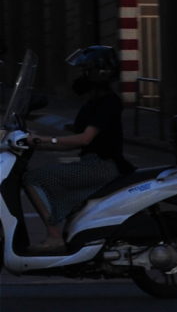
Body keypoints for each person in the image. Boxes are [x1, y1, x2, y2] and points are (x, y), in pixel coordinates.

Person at [22, 47, 134, 254]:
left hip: (103, 165)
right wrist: (33, 144)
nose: (80, 76)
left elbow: (85, 138)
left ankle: (54, 237)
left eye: (84, 71)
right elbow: (74, 143)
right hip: (91, 162)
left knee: (32, 179)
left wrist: (44, 138)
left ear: (98, 73)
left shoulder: (108, 102)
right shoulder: (91, 103)